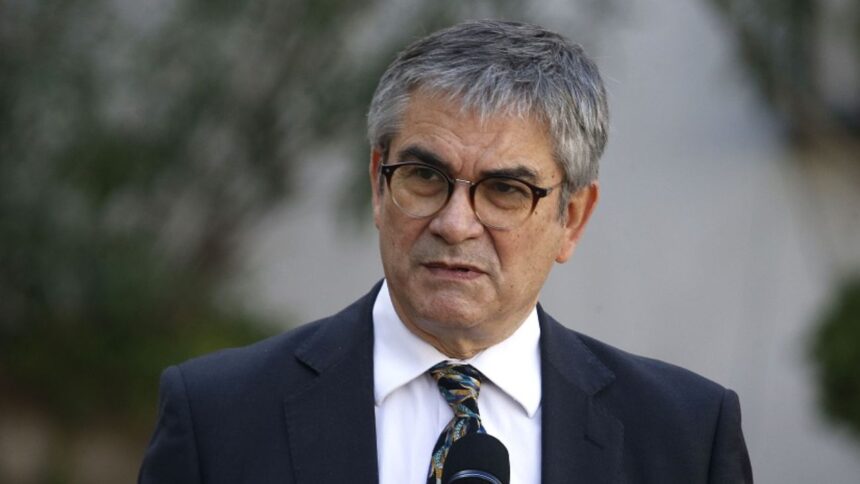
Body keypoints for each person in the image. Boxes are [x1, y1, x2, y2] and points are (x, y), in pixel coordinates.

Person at [138, 19, 753, 484]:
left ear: (571, 218)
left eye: (505, 190)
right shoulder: (218, 417)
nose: (456, 224)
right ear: (378, 184)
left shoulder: (685, 435)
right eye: (425, 177)